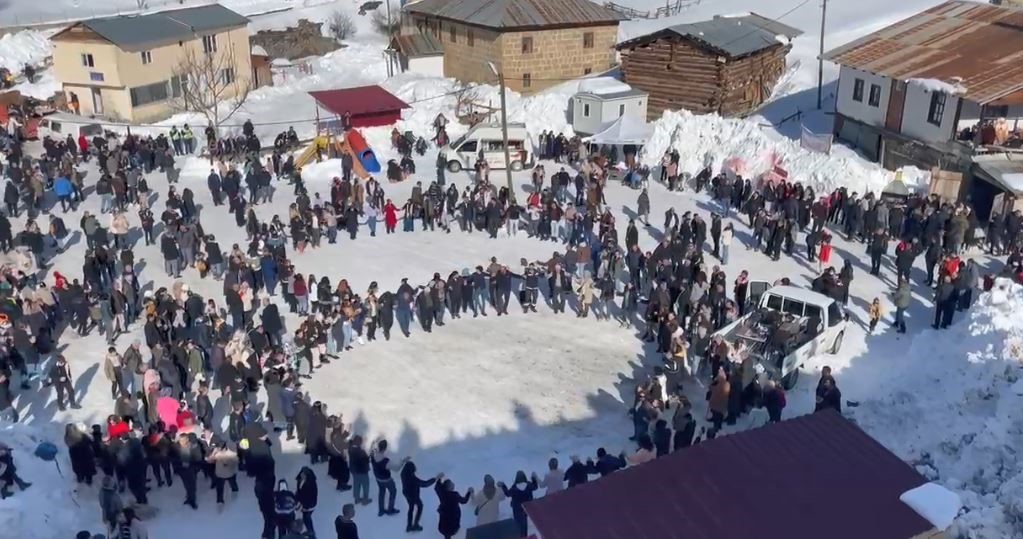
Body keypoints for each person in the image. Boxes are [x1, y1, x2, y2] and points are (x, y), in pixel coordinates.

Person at [399, 459, 436, 532]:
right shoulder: (414, 479)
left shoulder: (403, 473)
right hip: (414, 496)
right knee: (420, 506)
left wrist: (406, 461)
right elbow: (425, 484)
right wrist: (434, 479)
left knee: (411, 507)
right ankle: (415, 525)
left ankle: (409, 526)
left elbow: (406, 466)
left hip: (406, 493)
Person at [370, 439, 404, 516]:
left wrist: (373, 444)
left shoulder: (373, 454)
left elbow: (371, 450)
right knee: (393, 491)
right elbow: (397, 468)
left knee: (381, 492)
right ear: (385, 448)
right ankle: (390, 509)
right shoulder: (385, 461)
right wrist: (402, 461)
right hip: (386, 480)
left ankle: (381, 510)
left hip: (378, 478)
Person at [499, 471, 538, 537]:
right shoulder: (529, 485)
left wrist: (503, 485)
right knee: (524, 524)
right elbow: (535, 487)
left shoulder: (514, 488)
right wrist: (533, 478)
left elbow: (508, 494)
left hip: (517, 509)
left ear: (516, 478)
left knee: (518, 525)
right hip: (526, 508)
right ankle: (525, 537)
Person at [295, 467, 318, 537]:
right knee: (306, 518)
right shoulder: (301, 481)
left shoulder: (310, 484)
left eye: (304, 474)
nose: (302, 475)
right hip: (306, 504)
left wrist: (304, 506)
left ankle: (311, 533)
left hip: (309, 505)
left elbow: (308, 497)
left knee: (307, 519)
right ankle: (310, 531)